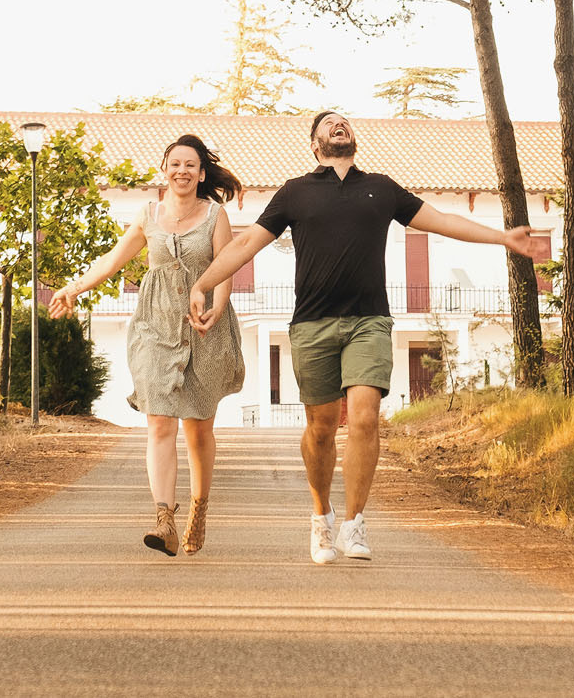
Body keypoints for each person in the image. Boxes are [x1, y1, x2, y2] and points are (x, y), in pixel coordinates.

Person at [189, 109, 536, 565]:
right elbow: (243, 244)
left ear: (352, 138)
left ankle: (353, 524)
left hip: (369, 321)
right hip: (312, 325)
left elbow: (442, 221)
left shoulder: (382, 189)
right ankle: (321, 516)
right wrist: (203, 284)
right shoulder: (296, 192)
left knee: (365, 418)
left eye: (345, 121)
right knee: (320, 428)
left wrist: (502, 238)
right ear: (315, 144)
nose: (340, 124)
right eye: (329, 123)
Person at [48, 134, 245, 556]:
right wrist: (73, 288)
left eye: (190, 165)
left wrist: (218, 307)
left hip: (202, 326)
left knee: (198, 428)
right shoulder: (147, 215)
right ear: (164, 169)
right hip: (154, 328)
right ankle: (163, 519)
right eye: (175, 163)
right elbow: (112, 260)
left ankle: (199, 508)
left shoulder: (215, 216)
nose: (182, 171)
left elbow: (226, 267)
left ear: (201, 173)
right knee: (159, 423)